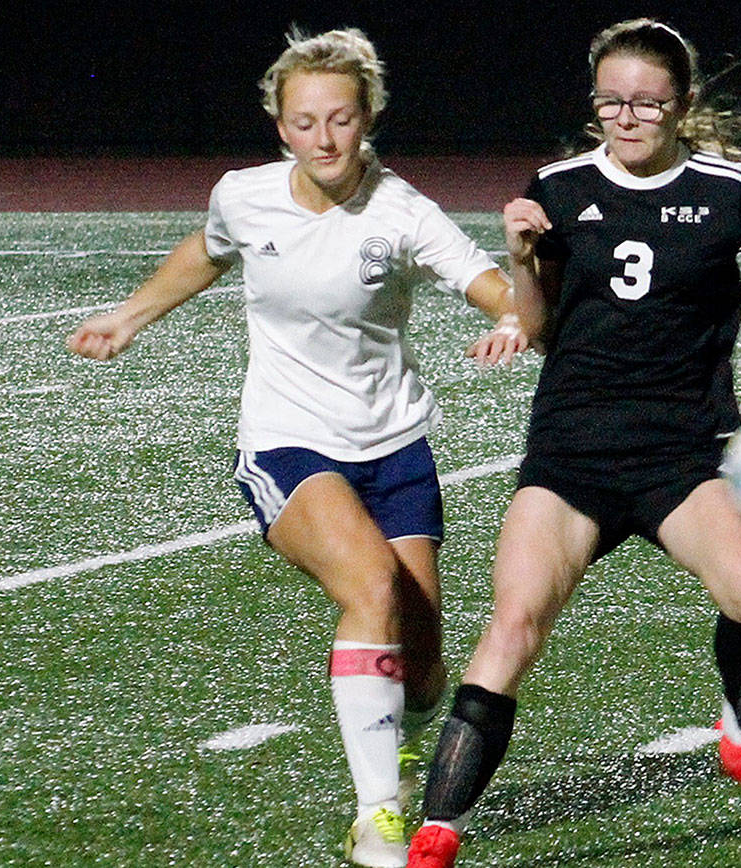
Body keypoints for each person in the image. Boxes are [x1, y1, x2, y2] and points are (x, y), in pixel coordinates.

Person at [406, 17, 741, 866]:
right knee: (513, 629)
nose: (627, 117)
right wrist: (517, 264)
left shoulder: (728, 189)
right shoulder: (554, 186)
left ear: (681, 105)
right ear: (595, 104)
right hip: (573, 453)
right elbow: (542, 328)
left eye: (647, 103)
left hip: (685, 453)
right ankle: (435, 834)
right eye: (611, 101)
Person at [66, 27, 527, 868]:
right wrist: (129, 317)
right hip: (286, 441)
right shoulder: (243, 196)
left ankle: (402, 739)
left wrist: (507, 314)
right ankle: (376, 815)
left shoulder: (402, 211)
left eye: (341, 120)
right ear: (281, 126)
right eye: (305, 121)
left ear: (368, 118)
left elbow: (485, 280)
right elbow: (205, 253)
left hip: (394, 446)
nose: (324, 138)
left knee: (422, 668)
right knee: (372, 589)